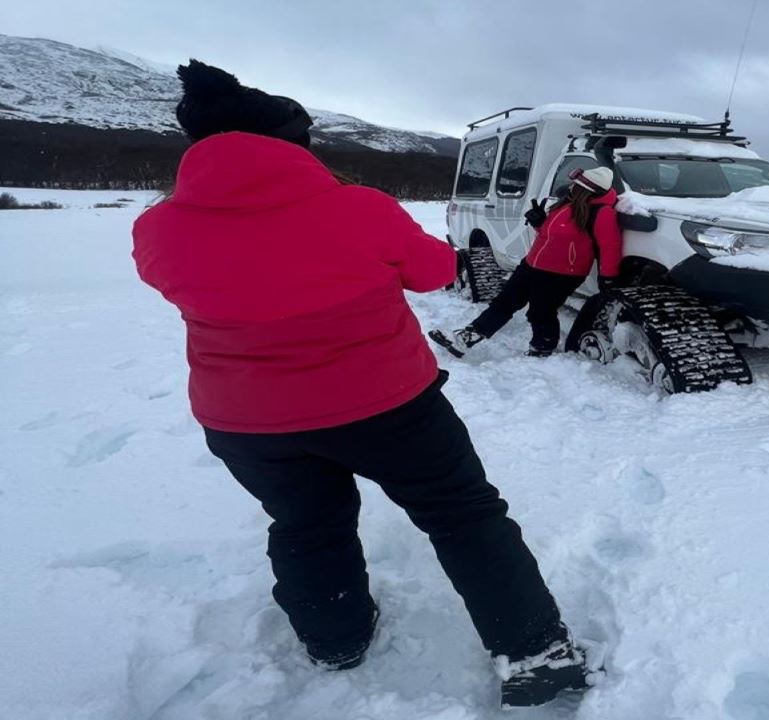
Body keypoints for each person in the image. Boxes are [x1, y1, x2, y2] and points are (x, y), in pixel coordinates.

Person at [131, 60, 590, 708]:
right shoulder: (358, 208)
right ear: (293, 144)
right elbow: (433, 272)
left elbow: (185, 280)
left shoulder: (156, 229)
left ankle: (335, 640)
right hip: (389, 407)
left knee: (304, 525)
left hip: (247, 422)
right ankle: (536, 655)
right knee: (464, 517)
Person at [429, 167, 622, 358]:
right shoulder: (566, 204)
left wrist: (609, 278)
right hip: (532, 264)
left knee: (541, 312)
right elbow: (552, 236)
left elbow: (610, 247)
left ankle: (542, 349)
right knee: (504, 302)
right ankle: (467, 337)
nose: (570, 186)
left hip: (562, 274)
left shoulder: (602, 213)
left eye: (576, 184)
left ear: (585, 189)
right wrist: (540, 223)